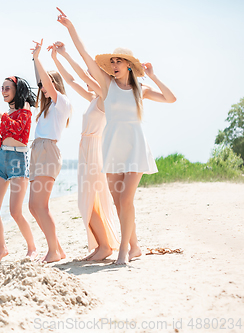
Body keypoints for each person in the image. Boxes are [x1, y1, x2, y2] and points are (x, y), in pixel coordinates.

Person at [56, 8, 176, 264]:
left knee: (127, 198)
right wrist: (70, 27)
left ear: (130, 66)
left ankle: (123, 250)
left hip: (135, 146)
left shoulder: (141, 90)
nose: (113, 65)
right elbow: (85, 56)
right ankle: (135, 247)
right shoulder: (106, 86)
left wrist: (153, 76)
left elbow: (171, 98)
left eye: (118, 61)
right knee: (118, 201)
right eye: (112, 62)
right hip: (111, 146)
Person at [48, 41, 120, 260]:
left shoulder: (106, 98)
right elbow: (70, 80)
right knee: (89, 199)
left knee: (87, 199)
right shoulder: (94, 99)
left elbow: (82, 75)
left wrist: (68, 54)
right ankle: (101, 245)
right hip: (86, 149)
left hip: (95, 149)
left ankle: (105, 246)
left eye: (93, 75)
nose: (88, 78)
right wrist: (55, 59)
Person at [0, 76, 38, 265]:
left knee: (15, 211)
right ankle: (2, 249)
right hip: (1, 158)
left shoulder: (25, 109)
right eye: (2, 88)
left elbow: (18, 130)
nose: (4, 91)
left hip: (18, 160)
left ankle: (32, 248)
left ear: (17, 89)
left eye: (7, 88)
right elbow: (5, 139)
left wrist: (0, 115)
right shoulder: (9, 111)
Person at [30, 39, 73, 263]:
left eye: (45, 84)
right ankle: (57, 248)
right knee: (32, 206)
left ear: (54, 84)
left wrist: (39, 58)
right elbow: (42, 81)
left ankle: (53, 251)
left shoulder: (62, 103)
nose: (42, 87)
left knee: (41, 205)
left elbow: (47, 81)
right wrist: (34, 60)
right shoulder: (46, 109)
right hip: (38, 150)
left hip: (48, 151)